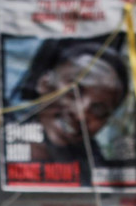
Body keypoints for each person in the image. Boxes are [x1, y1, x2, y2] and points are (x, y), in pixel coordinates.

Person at [12, 40, 129, 170]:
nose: (80, 115)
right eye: (72, 92)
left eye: (98, 109)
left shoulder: (96, 170)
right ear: (44, 83)